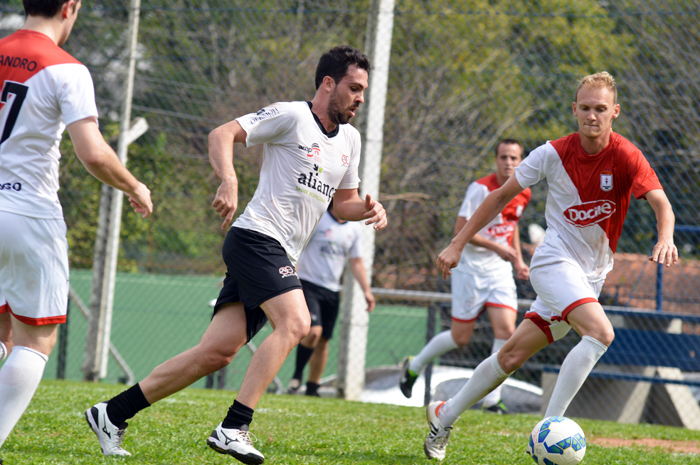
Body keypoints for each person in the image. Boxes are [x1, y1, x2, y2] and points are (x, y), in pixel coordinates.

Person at [84, 45, 387, 465]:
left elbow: (343, 204)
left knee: (215, 353)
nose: (359, 98)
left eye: (364, 91)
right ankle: (234, 427)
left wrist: (368, 209)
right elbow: (221, 133)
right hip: (256, 238)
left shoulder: (350, 140)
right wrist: (229, 180)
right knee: (297, 322)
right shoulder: (292, 115)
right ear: (328, 83)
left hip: (279, 251)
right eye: (354, 88)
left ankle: (111, 413)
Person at [424, 71, 678, 461]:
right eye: (586, 108)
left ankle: (445, 414)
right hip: (554, 262)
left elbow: (662, 203)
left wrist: (665, 237)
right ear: (574, 109)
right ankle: (549, 430)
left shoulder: (627, 156)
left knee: (510, 356)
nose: (592, 116)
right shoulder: (552, 153)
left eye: (601, 109)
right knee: (600, 333)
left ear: (615, 113)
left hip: (590, 275)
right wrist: (457, 243)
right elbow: (497, 198)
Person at [0, 0, 153, 453]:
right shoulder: (67, 69)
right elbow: (93, 152)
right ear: (70, 7)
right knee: (35, 340)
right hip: (28, 213)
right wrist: (133, 184)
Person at [399, 139, 531, 414]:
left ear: (522, 161)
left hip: (499, 271)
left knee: (506, 332)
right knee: (461, 337)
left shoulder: (524, 190)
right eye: (504, 157)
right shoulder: (480, 189)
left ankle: (492, 401)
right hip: (470, 271)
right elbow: (461, 231)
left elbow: (512, 226)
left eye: (514, 158)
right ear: (495, 160)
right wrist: (498, 247)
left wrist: (517, 259)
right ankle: (414, 364)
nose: (509, 162)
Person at [287, 199, 375, 397]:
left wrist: (366, 291)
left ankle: (312, 387)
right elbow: (297, 248)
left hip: (332, 291)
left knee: (323, 341)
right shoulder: (318, 218)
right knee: (313, 332)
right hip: (308, 284)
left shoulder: (354, 229)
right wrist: (294, 278)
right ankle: (297, 375)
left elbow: (357, 262)